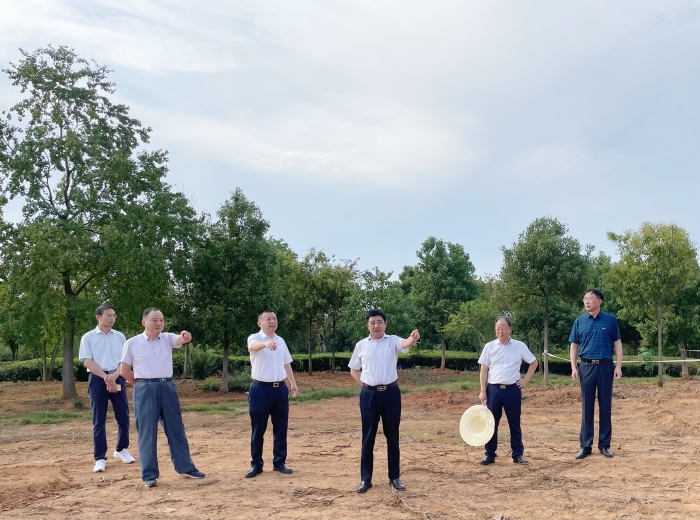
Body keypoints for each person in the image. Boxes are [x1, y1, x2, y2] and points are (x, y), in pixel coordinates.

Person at [119, 307, 205, 487]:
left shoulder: (167, 338)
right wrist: (140, 383)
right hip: (144, 388)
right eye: (154, 320)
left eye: (161, 320)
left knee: (176, 429)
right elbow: (124, 370)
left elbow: (181, 339)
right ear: (144, 322)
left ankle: (185, 467)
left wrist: (186, 336)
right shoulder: (132, 343)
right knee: (147, 432)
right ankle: (149, 475)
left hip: (167, 387)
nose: (159, 323)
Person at [349, 309, 420, 494]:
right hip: (369, 395)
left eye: (379, 322)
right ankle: (366, 479)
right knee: (368, 437)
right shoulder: (361, 345)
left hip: (391, 394)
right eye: (372, 322)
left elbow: (405, 343)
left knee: (392, 436)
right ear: (368, 325)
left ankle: (394, 477)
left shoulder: (393, 341)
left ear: (385, 324)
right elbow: (354, 369)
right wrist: (364, 383)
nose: (376, 326)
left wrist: (412, 338)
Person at [79, 303, 134, 473]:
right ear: (99, 317)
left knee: (123, 416)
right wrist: (105, 377)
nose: (112, 318)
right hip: (97, 379)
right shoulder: (88, 337)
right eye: (109, 315)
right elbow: (87, 361)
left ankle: (121, 449)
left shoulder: (120, 337)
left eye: (114, 316)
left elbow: (125, 360)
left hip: (117, 377)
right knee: (99, 419)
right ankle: (100, 458)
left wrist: (115, 376)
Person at [245, 309, 299, 478]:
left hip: (280, 389)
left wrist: (293, 383)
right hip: (260, 389)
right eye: (268, 319)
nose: (272, 321)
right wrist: (266, 344)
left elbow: (286, 363)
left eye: (274, 318)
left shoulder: (280, 340)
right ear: (260, 323)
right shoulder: (255, 338)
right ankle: (256, 464)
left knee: (281, 427)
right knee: (258, 428)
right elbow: (253, 347)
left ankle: (279, 462)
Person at [569, 289, 622, 460]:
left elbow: (617, 343)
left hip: (605, 366)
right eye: (585, 299)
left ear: (599, 301)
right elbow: (574, 346)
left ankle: (605, 445)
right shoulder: (579, 321)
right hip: (586, 366)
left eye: (590, 299)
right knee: (587, 407)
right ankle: (585, 446)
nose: (587, 301)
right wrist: (573, 367)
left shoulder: (610, 320)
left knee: (605, 406)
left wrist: (618, 366)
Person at [478, 317, 538, 465]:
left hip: (512, 390)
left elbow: (534, 363)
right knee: (491, 423)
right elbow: (484, 370)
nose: (500, 331)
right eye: (498, 329)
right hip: (493, 390)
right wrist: (482, 390)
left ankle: (517, 454)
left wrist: (525, 380)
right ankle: (489, 454)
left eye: (503, 328)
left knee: (514, 422)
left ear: (510, 329)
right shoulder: (489, 347)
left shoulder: (519, 346)